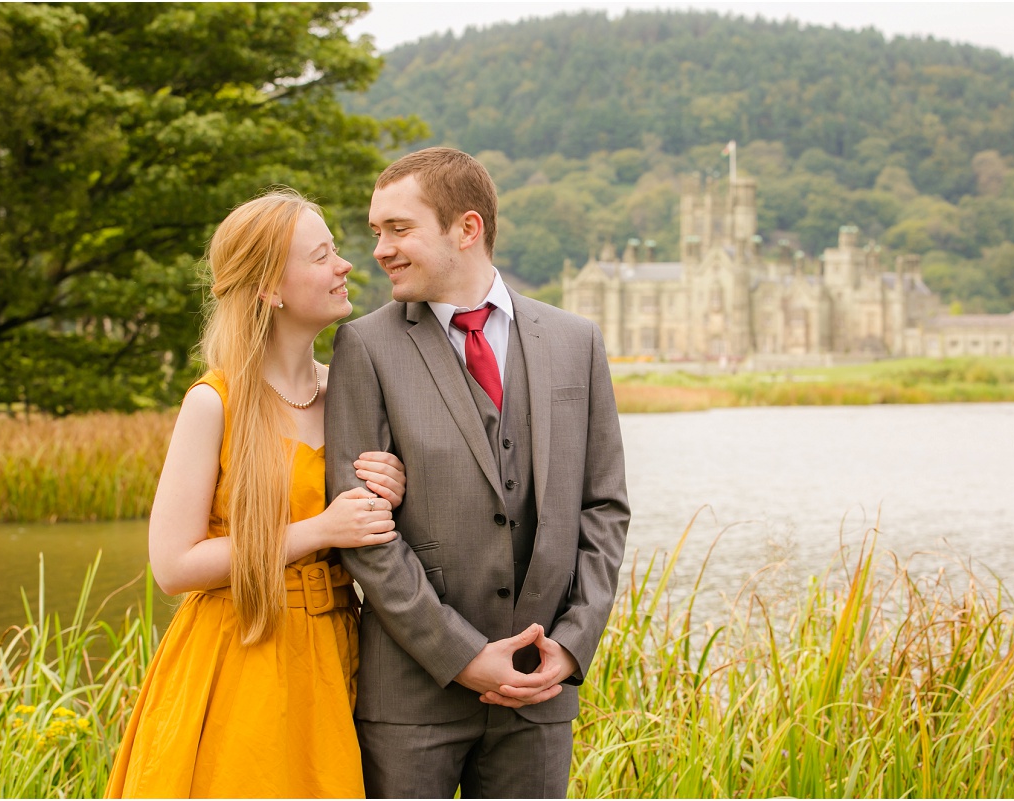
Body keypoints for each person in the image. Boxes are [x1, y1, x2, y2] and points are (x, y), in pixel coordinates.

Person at [325, 147, 630, 798]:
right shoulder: (365, 346)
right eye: (376, 231)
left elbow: (604, 507)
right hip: (412, 697)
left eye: (398, 229)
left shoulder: (576, 341)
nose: (379, 249)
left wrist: (572, 645)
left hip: (539, 691)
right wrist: (461, 655)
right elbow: (364, 530)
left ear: (466, 228)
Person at [106, 188, 406, 798]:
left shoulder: (352, 390)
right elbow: (173, 565)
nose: (346, 265)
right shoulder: (213, 402)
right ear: (269, 286)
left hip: (339, 651)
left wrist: (392, 488)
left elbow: (373, 528)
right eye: (321, 256)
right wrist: (319, 530)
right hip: (241, 655)